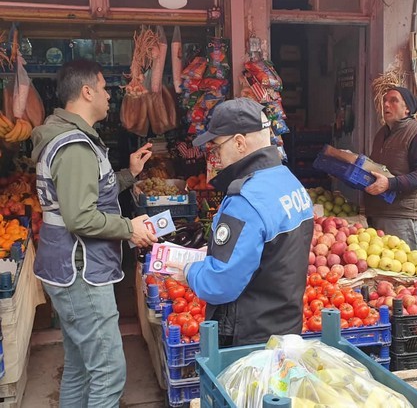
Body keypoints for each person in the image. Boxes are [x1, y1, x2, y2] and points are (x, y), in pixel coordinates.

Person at [31, 59, 158, 407]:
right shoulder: (74, 146)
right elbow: (80, 217)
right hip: (80, 272)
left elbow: (90, 194)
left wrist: (129, 173)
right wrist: (128, 228)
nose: (108, 95)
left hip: (66, 267)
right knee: (107, 370)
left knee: (79, 366)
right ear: (87, 92)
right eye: (103, 88)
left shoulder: (71, 138)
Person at [170, 98, 314, 346]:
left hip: (248, 338)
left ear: (238, 142)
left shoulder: (245, 199)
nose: (213, 157)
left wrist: (189, 270)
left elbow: (220, 284)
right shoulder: (289, 182)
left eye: (216, 147)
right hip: (286, 327)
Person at [364, 86, 417, 250]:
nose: (386, 105)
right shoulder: (382, 133)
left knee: (401, 272)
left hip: (401, 217)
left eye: (394, 101)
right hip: (378, 212)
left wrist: (390, 184)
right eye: (385, 101)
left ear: (407, 108)